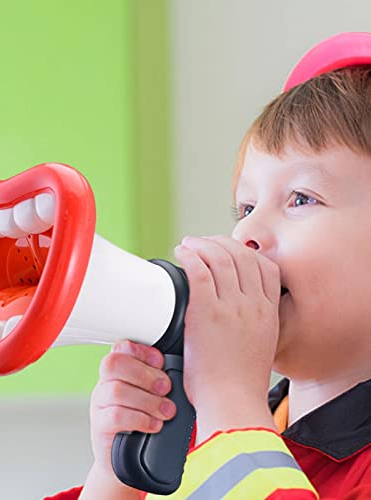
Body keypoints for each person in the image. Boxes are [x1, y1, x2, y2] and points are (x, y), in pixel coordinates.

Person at [46, 32, 371, 499]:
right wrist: (116, 479)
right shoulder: (213, 438)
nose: (247, 233)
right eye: (245, 208)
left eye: (301, 198)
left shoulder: (230, 424)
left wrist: (230, 400)